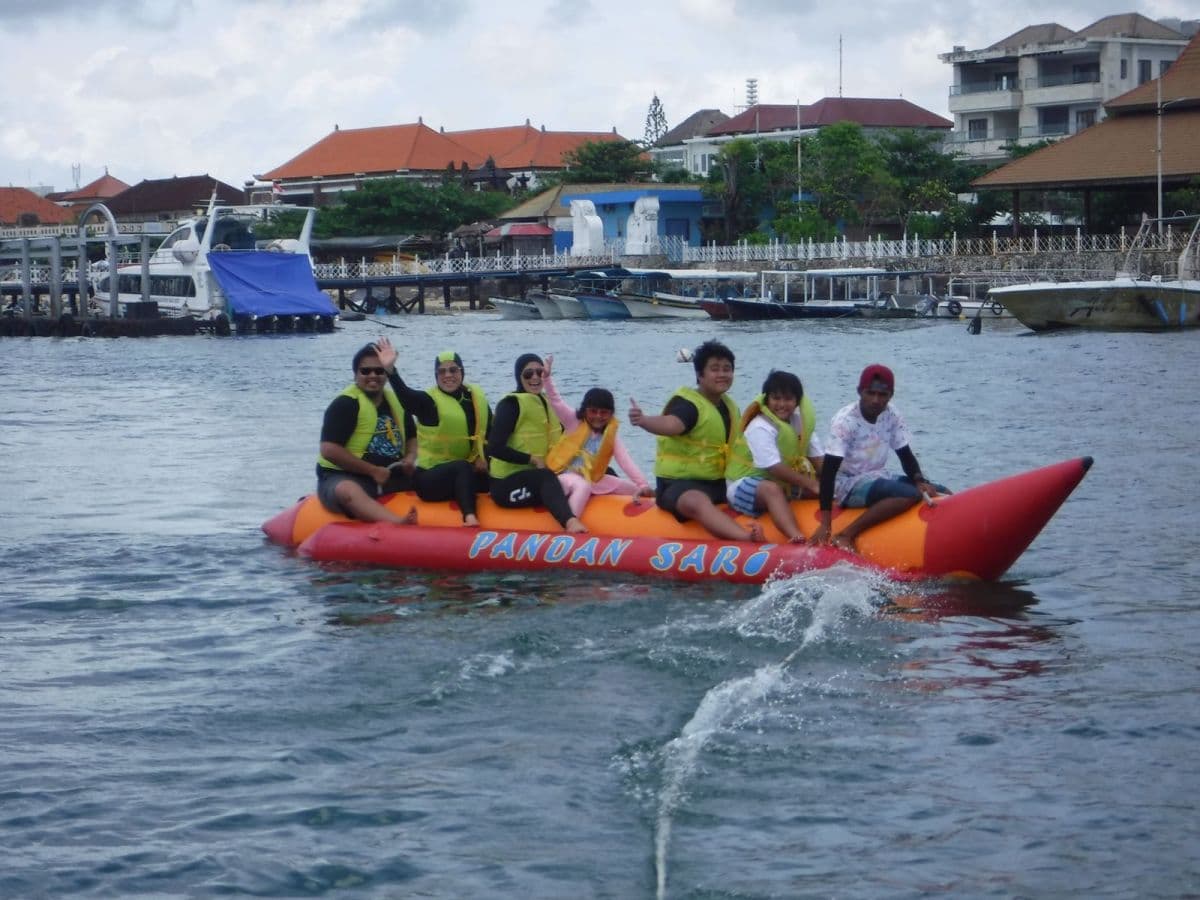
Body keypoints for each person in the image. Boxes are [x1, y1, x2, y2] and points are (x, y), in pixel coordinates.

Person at [629, 339, 764, 542]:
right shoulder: (688, 405)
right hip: (678, 486)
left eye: (727, 369)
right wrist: (644, 420)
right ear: (700, 375)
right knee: (696, 501)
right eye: (715, 369)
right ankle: (745, 538)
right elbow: (671, 425)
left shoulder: (730, 407)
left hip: (718, 483)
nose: (722, 374)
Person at [811, 363, 945, 552]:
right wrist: (825, 523)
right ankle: (846, 534)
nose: (875, 400)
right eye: (870, 393)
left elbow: (905, 454)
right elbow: (829, 473)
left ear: (890, 395)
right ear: (860, 392)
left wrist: (919, 479)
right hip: (848, 484)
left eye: (882, 395)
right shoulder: (846, 421)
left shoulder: (892, 414)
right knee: (908, 494)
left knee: (938, 490)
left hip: (879, 476)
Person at [377, 340, 492, 527]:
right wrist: (391, 371)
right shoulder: (429, 403)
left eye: (453, 370)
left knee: (494, 473)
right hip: (429, 480)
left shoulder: (476, 398)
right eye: (442, 371)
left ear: (462, 372)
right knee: (462, 467)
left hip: (466, 474)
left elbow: (491, 433)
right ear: (436, 375)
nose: (448, 375)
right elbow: (407, 398)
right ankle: (469, 518)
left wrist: (485, 458)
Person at [315, 340, 418, 525]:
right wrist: (372, 471)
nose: (373, 376)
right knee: (347, 490)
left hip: (390, 475)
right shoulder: (345, 404)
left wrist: (410, 457)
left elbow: (411, 437)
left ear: (386, 375)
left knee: (432, 476)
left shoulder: (397, 403)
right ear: (355, 375)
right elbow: (328, 450)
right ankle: (397, 523)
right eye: (365, 371)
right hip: (345, 476)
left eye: (379, 371)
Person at [486, 353, 588, 534]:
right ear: (519, 376)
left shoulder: (548, 403)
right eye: (528, 374)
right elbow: (494, 447)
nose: (534, 377)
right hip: (506, 486)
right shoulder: (510, 405)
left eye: (539, 372)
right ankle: (570, 522)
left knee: (592, 468)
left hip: (540, 477)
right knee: (544, 477)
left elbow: (566, 440)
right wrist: (531, 458)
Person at [540, 354, 651, 518]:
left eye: (604, 412)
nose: (598, 416)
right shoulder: (573, 422)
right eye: (593, 411)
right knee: (582, 486)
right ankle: (570, 526)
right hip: (563, 478)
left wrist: (643, 485)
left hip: (594, 481)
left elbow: (626, 461)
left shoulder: (611, 436)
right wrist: (547, 379)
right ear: (585, 410)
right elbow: (556, 401)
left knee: (632, 489)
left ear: (611, 414)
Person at [724, 370, 823, 543]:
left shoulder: (801, 424)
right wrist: (811, 484)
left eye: (788, 399)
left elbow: (819, 461)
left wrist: (830, 486)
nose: (782, 404)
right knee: (771, 489)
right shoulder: (760, 426)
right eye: (776, 398)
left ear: (797, 401)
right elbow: (773, 468)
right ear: (766, 399)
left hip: (782, 484)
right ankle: (796, 537)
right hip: (743, 485)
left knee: (829, 489)